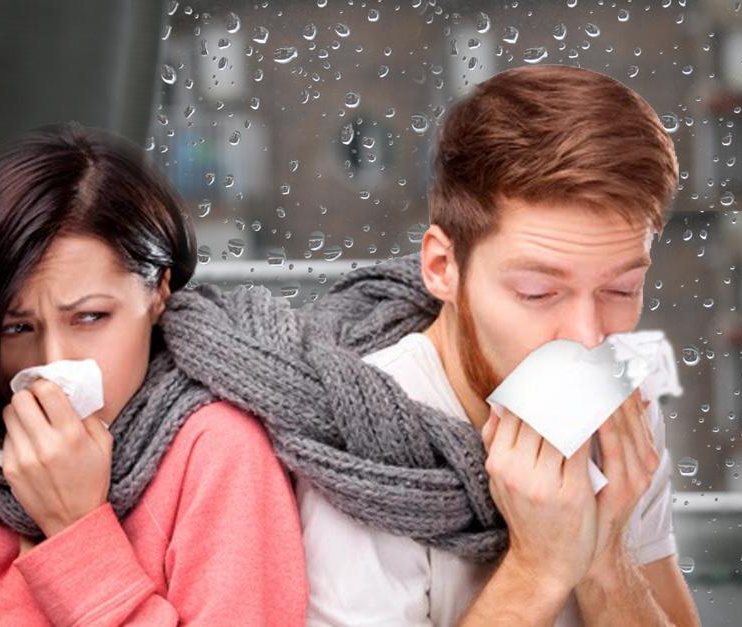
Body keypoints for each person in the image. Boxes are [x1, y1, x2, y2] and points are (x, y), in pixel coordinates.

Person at [296, 65, 702, 626]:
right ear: (443, 268)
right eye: (538, 292)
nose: (588, 338)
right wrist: (539, 567)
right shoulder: (366, 449)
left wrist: (605, 558)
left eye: (620, 289)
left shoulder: (622, 415)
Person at [0, 124, 308, 625]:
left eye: (89, 318)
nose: (53, 362)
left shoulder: (217, 455)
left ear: (158, 292)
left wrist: (74, 531)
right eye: (17, 327)